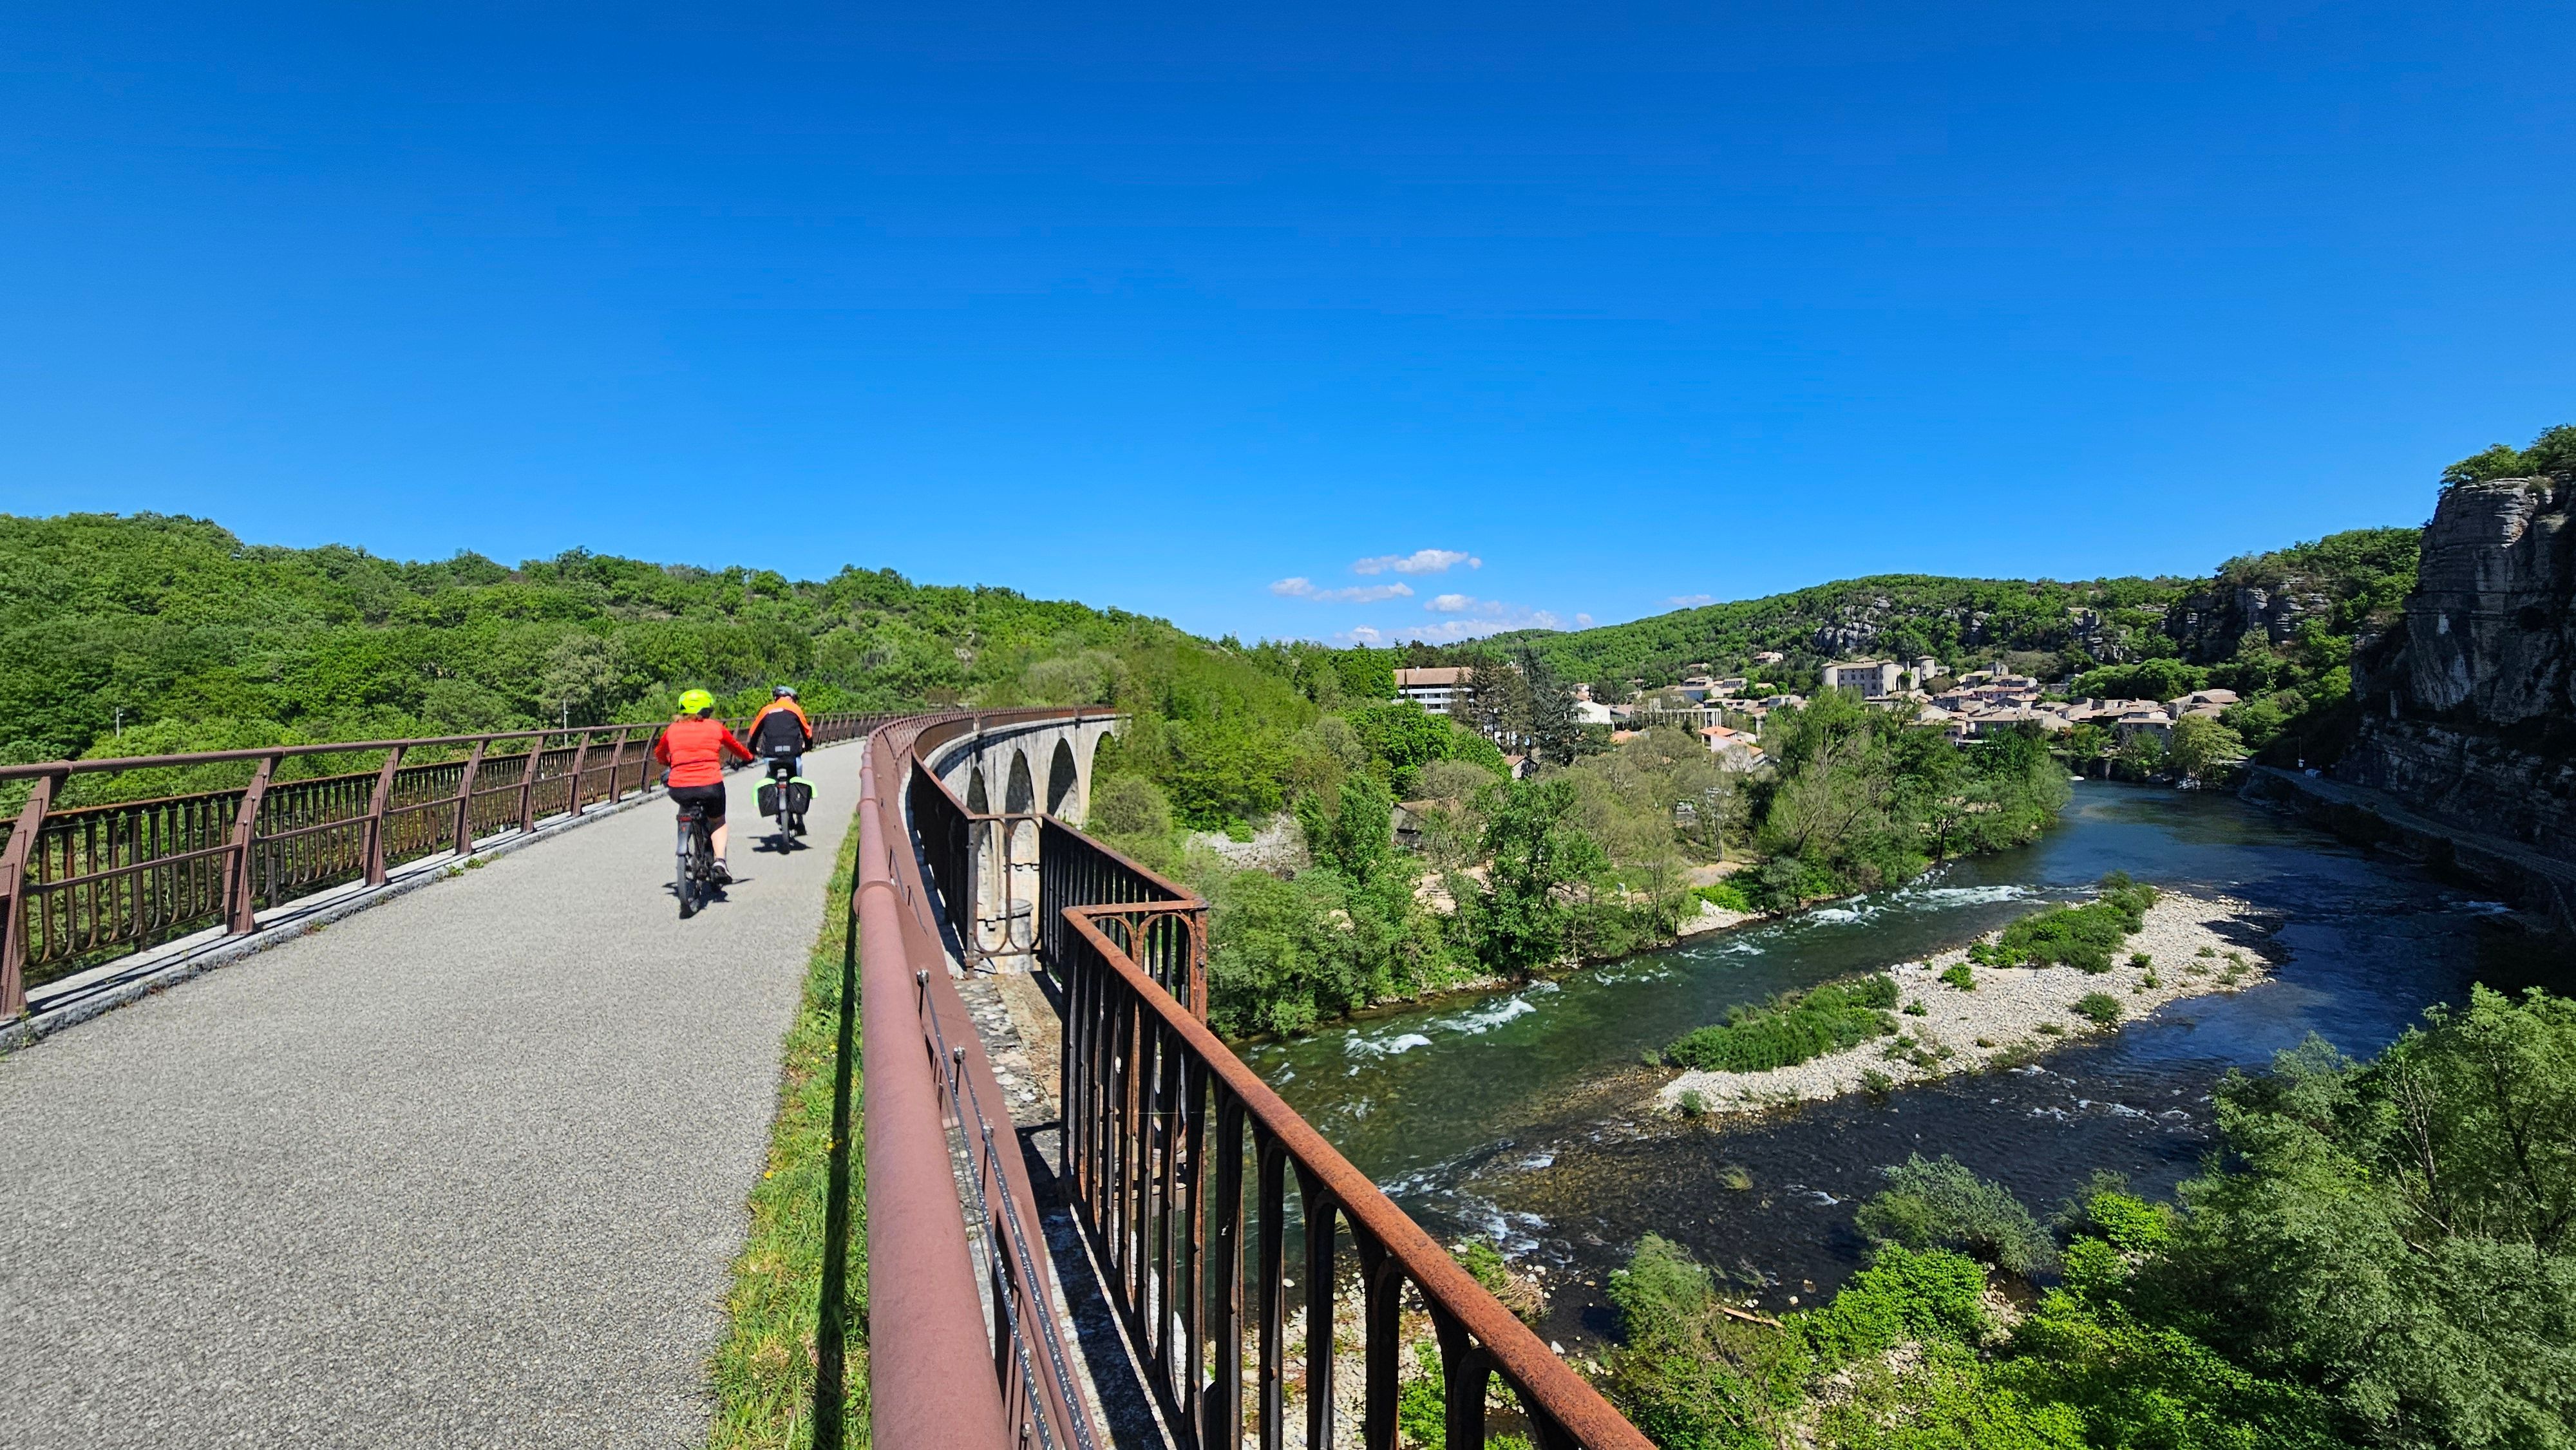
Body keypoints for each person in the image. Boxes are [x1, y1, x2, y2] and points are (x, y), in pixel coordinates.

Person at [655, 688, 753, 881]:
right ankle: (719, 862)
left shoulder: (673, 729)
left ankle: (687, 838)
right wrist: (749, 757)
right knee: (717, 820)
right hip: (710, 786)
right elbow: (736, 747)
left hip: (679, 788)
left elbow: (660, 753)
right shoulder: (715, 727)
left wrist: (670, 763)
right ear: (706, 710)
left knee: (687, 806)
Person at [745, 686, 813, 774]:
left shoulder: (766, 710)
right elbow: (807, 732)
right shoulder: (795, 709)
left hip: (770, 753)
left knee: (770, 778)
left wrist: (752, 749)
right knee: (797, 779)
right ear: (790, 697)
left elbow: (753, 733)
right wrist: (808, 745)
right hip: (793, 753)